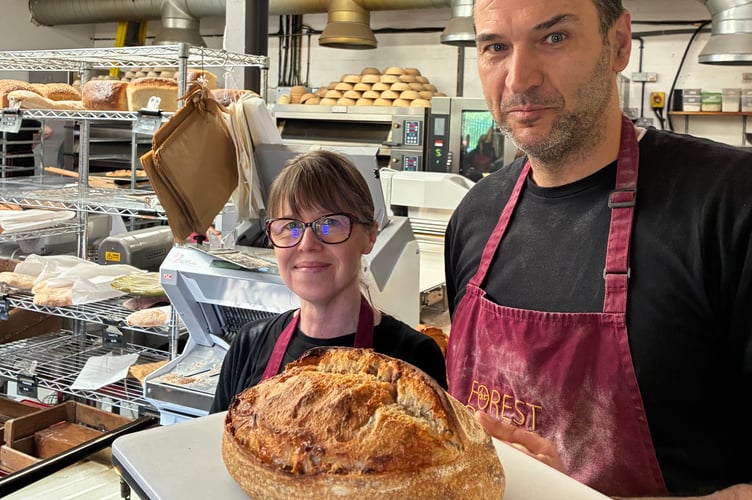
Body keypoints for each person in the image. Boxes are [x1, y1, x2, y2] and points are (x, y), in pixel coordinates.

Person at [444, 0, 752, 498]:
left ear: (619, 43)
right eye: (496, 47)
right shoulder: (474, 215)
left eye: (554, 37)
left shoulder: (729, 205)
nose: (519, 78)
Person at [211, 149, 447, 413]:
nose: (307, 244)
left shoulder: (415, 356)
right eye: (290, 226)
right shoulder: (248, 345)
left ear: (370, 236)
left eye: (330, 223)